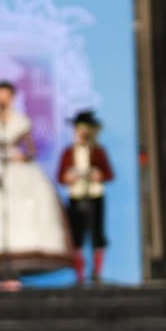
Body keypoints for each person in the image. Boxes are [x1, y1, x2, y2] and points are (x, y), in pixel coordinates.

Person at [0, 80, 72, 287]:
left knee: (20, 214)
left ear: (12, 98)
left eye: (5, 95)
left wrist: (21, 156)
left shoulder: (20, 121)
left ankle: (16, 267)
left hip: (16, 169)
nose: (2, 99)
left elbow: (30, 151)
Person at [58, 110, 114, 285]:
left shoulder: (97, 151)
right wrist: (70, 178)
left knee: (97, 234)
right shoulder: (69, 152)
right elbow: (60, 177)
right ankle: (80, 276)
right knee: (77, 236)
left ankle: (97, 274)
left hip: (95, 196)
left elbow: (109, 174)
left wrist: (98, 175)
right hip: (76, 197)